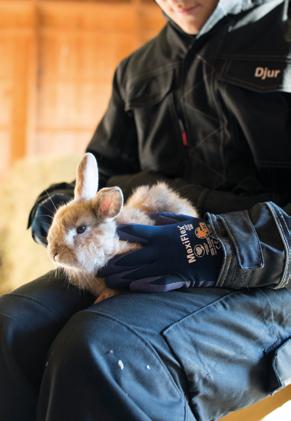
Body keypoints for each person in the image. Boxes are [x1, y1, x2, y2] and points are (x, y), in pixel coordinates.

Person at [1, 0, 291, 420]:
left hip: (269, 277)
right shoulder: (138, 70)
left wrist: (210, 248)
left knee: (102, 351)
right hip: (144, 259)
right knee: (10, 327)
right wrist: (52, 209)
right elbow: (101, 171)